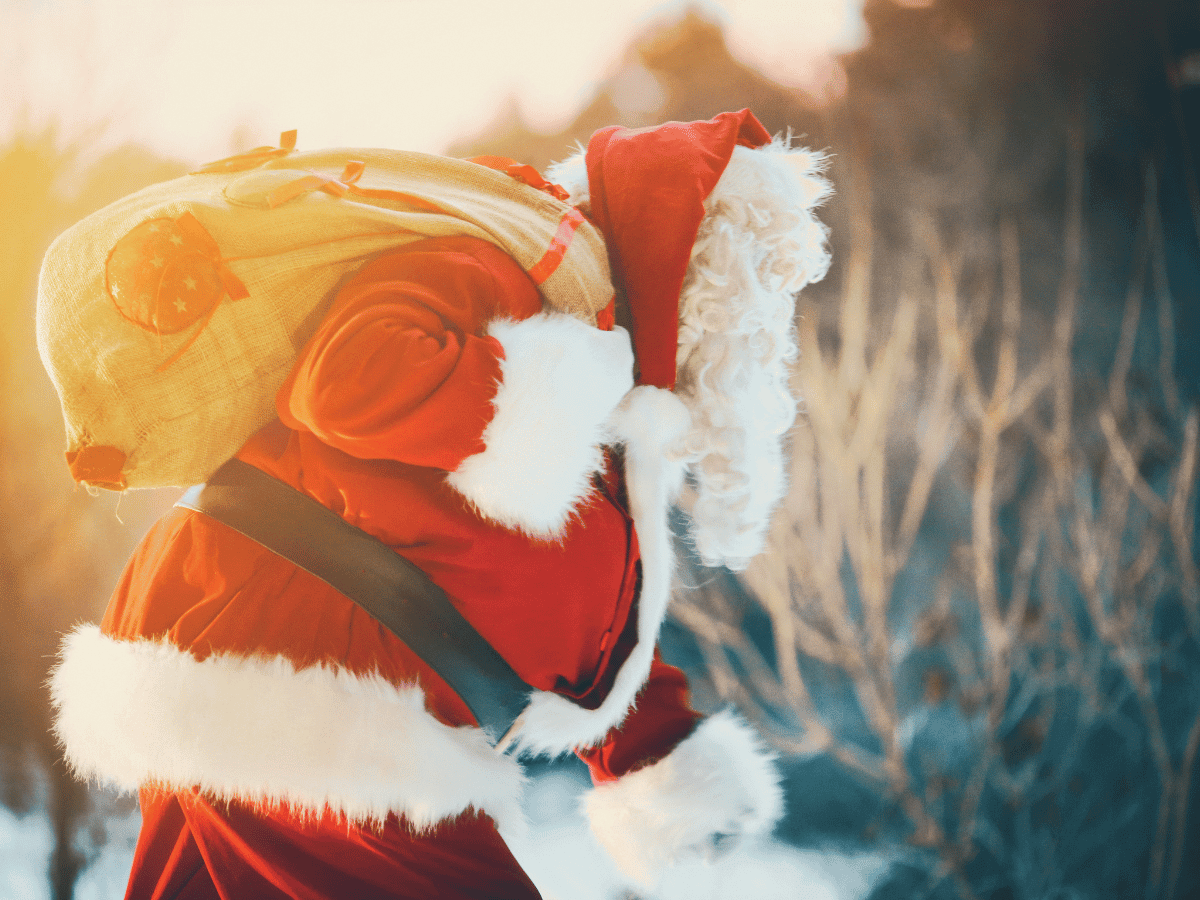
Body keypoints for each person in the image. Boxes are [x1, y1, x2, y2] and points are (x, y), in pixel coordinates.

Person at [45, 110, 831, 899]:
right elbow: (346, 381)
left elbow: (559, 605)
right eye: (750, 298)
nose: (756, 338)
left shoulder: (609, 399)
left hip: (265, 648)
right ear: (685, 263)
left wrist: (658, 751)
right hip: (292, 662)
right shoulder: (488, 269)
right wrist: (560, 384)